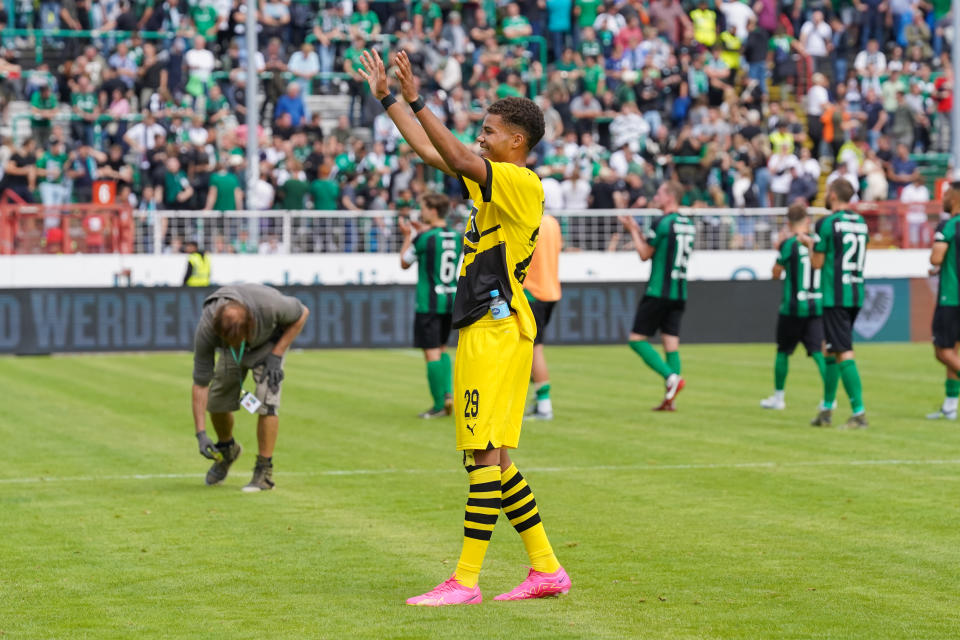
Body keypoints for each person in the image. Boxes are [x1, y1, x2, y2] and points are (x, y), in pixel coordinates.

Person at [357, 49, 569, 605]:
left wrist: (419, 98)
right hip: (495, 328)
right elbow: (434, 153)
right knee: (497, 459)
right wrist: (389, 98)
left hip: (494, 330)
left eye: (489, 131)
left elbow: (449, 148)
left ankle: (466, 582)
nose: (480, 138)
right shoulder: (496, 183)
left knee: (480, 459)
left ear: (516, 142)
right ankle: (546, 569)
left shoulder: (521, 183)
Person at [191, 284, 309, 491]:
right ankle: (227, 449)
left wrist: (277, 354)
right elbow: (201, 383)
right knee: (217, 402)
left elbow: (303, 313)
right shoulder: (207, 329)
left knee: (267, 402)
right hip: (231, 352)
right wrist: (200, 433)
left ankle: (264, 471)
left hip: (267, 347)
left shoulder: (271, 305)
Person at [618, 182, 694, 411]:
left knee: (636, 340)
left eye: (660, 193)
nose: (656, 197)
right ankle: (670, 400)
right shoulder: (687, 224)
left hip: (658, 291)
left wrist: (633, 230)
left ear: (670, 197)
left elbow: (644, 254)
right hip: (679, 291)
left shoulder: (663, 222)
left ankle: (671, 377)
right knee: (671, 345)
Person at [810, 180, 869, 429]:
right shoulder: (861, 223)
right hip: (855, 291)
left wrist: (809, 244)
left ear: (832, 195)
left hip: (835, 295)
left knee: (843, 349)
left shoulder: (826, 223)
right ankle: (826, 409)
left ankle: (859, 412)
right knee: (830, 349)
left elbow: (817, 263)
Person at [398, 193, 461, 418]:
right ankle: (448, 394)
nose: (421, 212)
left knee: (431, 353)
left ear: (433, 211)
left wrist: (409, 236)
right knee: (443, 349)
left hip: (428, 303)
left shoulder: (424, 238)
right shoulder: (457, 236)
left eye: (423, 208)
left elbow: (404, 262)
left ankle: (437, 406)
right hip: (451, 300)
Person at [760, 203, 827, 410]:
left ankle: (779, 398)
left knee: (783, 351)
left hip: (793, 306)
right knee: (818, 352)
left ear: (788, 223)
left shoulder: (789, 244)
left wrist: (779, 250)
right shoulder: (816, 242)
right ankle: (829, 397)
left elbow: (776, 273)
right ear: (807, 221)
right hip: (815, 304)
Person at [523, 212, 562, 420]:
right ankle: (539, 399)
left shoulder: (525, 219)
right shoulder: (552, 222)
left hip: (531, 292)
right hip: (551, 290)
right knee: (532, 349)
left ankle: (545, 406)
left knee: (533, 349)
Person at [927, 187, 960, 419]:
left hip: (951, 296)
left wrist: (937, 263)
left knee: (942, 351)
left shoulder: (949, 225)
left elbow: (936, 257)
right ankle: (950, 406)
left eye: (947, 195)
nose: (944, 199)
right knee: (955, 350)